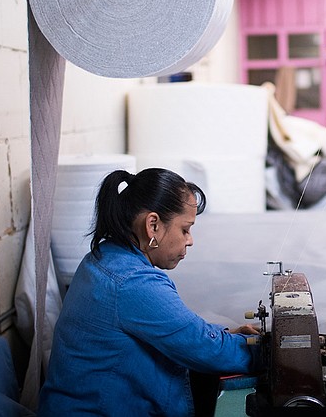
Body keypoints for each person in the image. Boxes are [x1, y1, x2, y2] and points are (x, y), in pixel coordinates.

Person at [38, 168, 260, 416]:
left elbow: (182, 330)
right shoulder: (133, 282)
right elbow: (206, 349)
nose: (190, 240)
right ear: (153, 225)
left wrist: (223, 334)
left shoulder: (102, 259)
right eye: (185, 229)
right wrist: (269, 352)